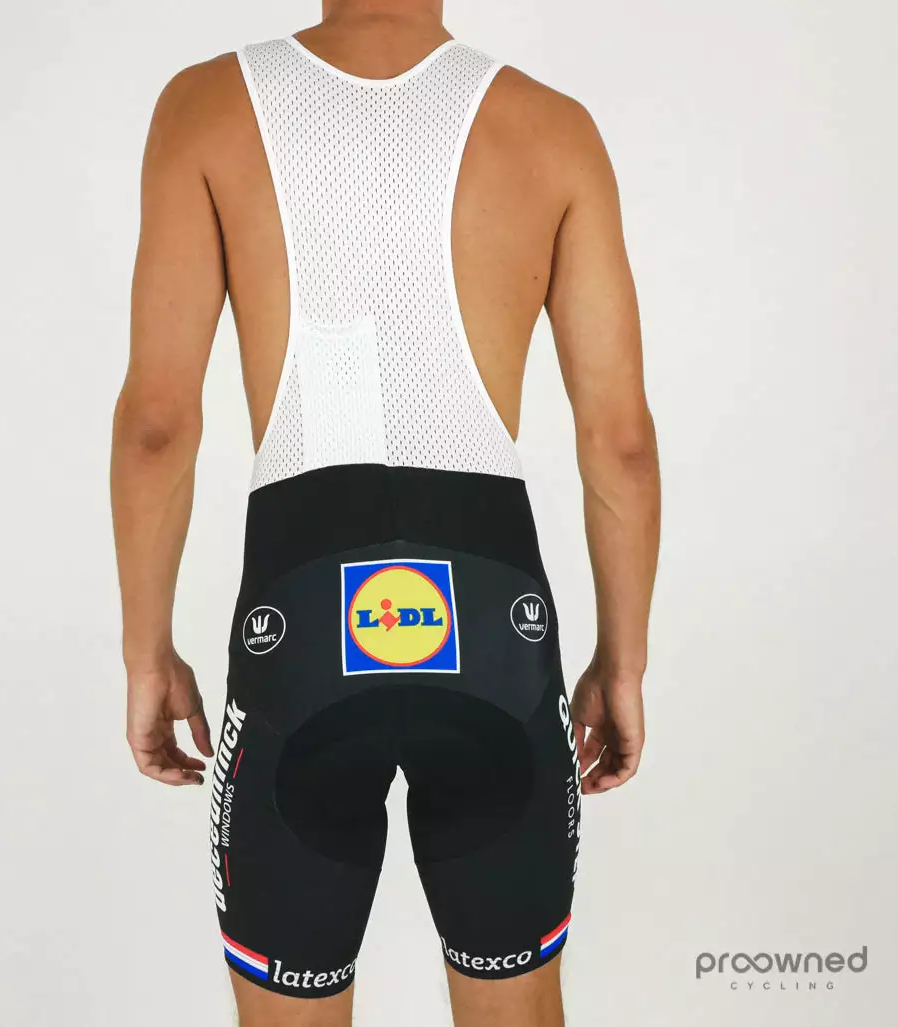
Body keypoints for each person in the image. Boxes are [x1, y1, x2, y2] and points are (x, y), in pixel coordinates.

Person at [110, 1, 660, 1024]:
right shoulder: (554, 129)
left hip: (298, 613)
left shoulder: (206, 106)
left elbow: (156, 425)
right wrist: (620, 663)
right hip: (494, 619)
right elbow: (619, 440)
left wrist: (148, 652)